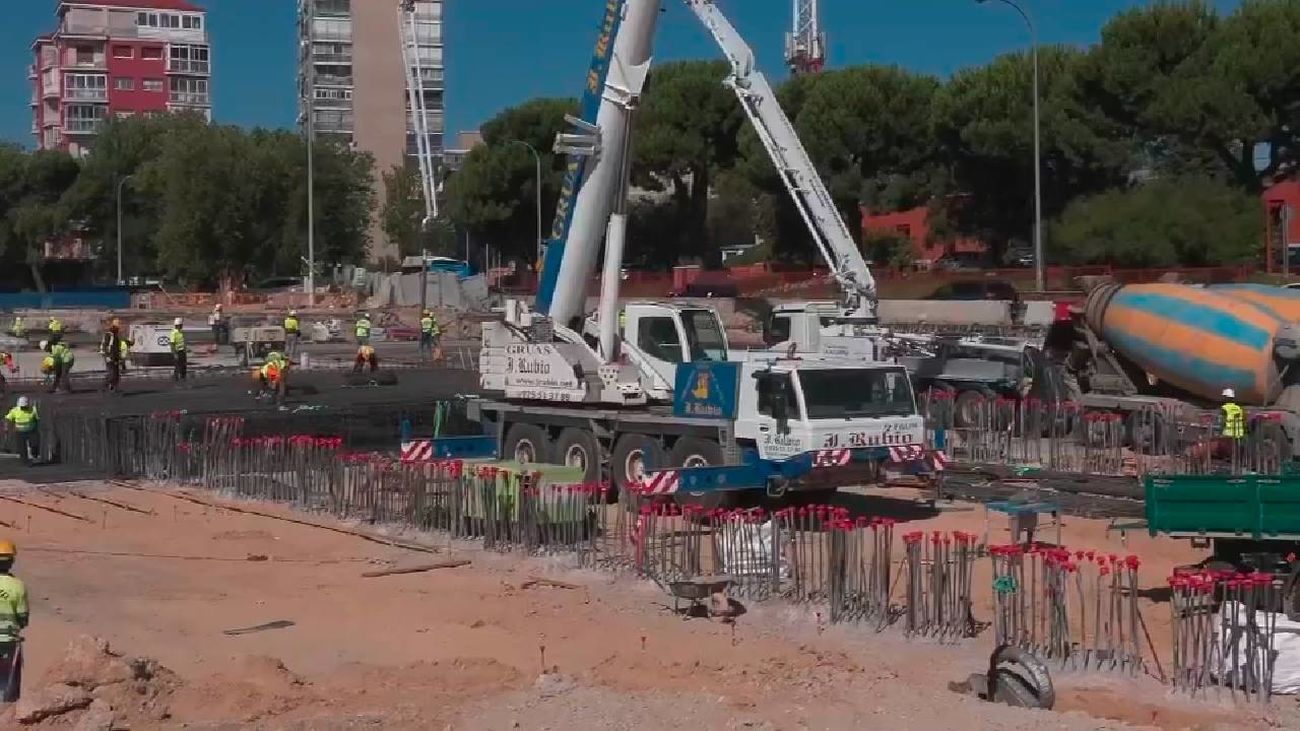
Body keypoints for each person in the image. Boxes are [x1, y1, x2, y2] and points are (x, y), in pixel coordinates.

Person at [0, 540, 26, 703]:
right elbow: (23, 617)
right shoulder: (18, 586)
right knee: (10, 682)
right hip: (9, 641)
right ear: (12, 561)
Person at [4, 398, 38, 467]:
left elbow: (37, 419)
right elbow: (8, 419)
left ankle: (34, 454)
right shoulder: (14, 411)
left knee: (34, 444)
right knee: (22, 448)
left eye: (25, 406)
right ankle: (25, 462)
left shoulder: (33, 410)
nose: (23, 408)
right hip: (19, 432)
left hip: (31, 431)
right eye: (22, 406)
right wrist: (8, 427)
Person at [99, 319, 125, 393]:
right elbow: (105, 346)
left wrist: (119, 358)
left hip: (115, 357)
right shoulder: (109, 335)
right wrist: (107, 356)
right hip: (110, 357)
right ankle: (105, 387)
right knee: (112, 374)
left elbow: (116, 348)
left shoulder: (115, 336)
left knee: (116, 374)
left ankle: (114, 388)